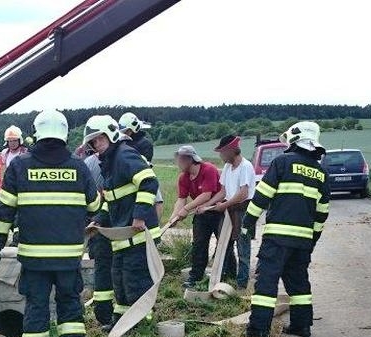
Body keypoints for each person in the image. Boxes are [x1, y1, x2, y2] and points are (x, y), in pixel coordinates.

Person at [0, 109, 100, 337]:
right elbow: (94, 207)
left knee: (36, 307)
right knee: (70, 307)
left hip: (34, 258)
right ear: (63, 135)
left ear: (37, 134)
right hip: (68, 258)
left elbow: (4, 211)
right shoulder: (79, 167)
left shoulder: (19, 166)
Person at [241, 121, 330, 337]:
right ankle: (302, 326)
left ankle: (258, 329)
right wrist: (312, 240)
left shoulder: (282, 162)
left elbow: (262, 195)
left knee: (267, 281)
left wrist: (247, 222)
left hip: (277, 239)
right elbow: (321, 213)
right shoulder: (321, 173)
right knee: (299, 281)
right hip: (303, 242)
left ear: (294, 139)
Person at [85, 114, 161, 323]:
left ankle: (142, 326)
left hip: (137, 236)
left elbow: (149, 182)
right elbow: (111, 200)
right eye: (93, 142)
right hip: (123, 238)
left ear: (110, 135)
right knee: (119, 280)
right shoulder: (109, 162)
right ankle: (121, 322)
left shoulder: (124, 156)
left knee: (135, 282)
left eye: (99, 139)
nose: (96, 145)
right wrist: (99, 219)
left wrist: (139, 215)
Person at [170, 145, 233, 287]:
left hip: (218, 210)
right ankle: (196, 276)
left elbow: (206, 195)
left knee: (224, 243)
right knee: (199, 244)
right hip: (201, 213)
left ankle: (228, 274)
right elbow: (181, 199)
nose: (178, 163)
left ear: (189, 160)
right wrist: (174, 217)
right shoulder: (183, 178)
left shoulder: (208, 169)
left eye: (180, 160)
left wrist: (186, 209)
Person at [207, 134, 258, 289]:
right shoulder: (228, 167)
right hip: (229, 210)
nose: (221, 155)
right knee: (224, 244)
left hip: (243, 211)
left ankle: (242, 284)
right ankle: (221, 278)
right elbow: (222, 191)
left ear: (231, 150)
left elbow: (243, 194)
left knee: (243, 248)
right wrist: (208, 205)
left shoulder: (246, 166)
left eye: (222, 152)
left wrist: (224, 205)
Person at [82, 145, 114, 327]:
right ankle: (112, 316)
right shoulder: (122, 162)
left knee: (102, 268)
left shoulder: (87, 163)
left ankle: (104, 316)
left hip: (96, 224)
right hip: (114, 227)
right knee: (114, 271)